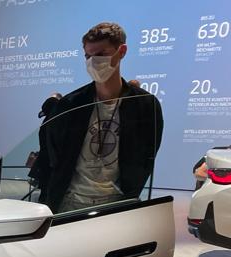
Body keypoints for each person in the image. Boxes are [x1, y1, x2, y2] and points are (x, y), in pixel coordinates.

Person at [38, 22, 164, 213]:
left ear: (121, 52)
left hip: (117, 203)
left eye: (101, 54)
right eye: (88, 56)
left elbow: (146, 156)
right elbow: (53, 157)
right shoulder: (70, 105)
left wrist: (131, 193)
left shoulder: (145, 105)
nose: (93, 62)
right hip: (69, 201)